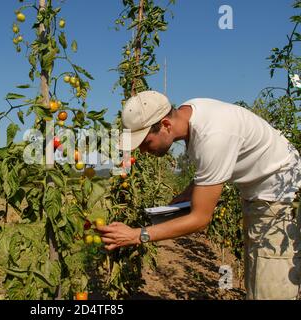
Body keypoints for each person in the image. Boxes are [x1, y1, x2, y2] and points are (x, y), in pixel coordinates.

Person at [97, 90, 301, 300]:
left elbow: (200, 220)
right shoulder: (191, 112)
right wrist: (188, 193)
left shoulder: (213, 137)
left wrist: (135, 235)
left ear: (166, 125)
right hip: (259, 195)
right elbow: (211, 168)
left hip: (278, 198)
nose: (143, 151)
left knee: (270, 291)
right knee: (257, 278)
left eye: (146, 143)